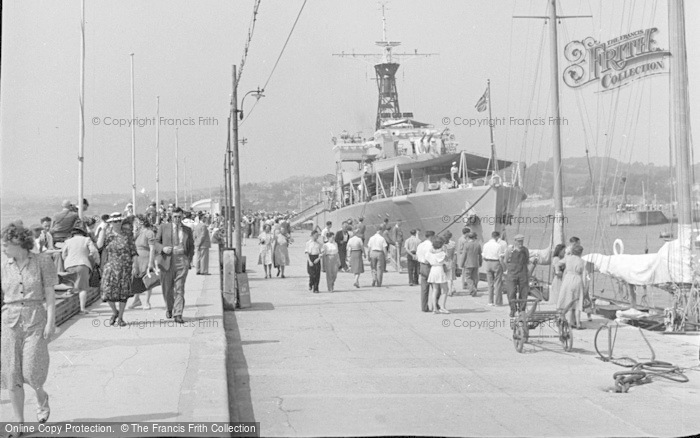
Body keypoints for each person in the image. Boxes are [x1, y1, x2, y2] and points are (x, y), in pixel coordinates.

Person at [1, 222, 57, 426]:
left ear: (18, 243)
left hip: (36, 319)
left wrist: (51, 322)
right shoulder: (2, 265)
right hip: (9, 322)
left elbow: (50, 295)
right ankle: (18, 422)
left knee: (32, 371)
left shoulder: (43, 261)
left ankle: (41, 397)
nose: (3, 249)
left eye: (6, 245)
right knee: (11, 373)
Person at [154, 207, 194, 324]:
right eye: (175, 217)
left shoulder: (187, 230)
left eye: (179, 217)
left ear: (182, 217)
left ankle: (178, 313)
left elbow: (191, 246)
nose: (177, 219)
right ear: (171, 216)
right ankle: (169, 308)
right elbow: (155, 242)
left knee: (180, 288)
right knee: (167, 289)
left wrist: (189, 260)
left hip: (181, 260)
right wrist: (163, 248)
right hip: (167, 261)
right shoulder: (163, 227)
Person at [101, 215, 139, 326]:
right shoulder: (108, 235)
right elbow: (102, 249)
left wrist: (135, 266)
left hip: (125, 267)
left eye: (118, 221)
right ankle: (114, 312)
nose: (117, 223)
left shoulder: (127, 235)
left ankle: (121, 317)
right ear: (110, 223)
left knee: (123, 293)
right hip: (110, 267)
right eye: (114, 221)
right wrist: (102, 265)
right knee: (107, 292)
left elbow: (133, 251)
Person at [61, 226, 99, 314]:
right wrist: (96, 261)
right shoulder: (87, 240)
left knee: (72, 284)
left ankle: (69, 308)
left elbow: (64, 254)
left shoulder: (68, 241)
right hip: (82, 264)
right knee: (83, 288)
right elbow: (94, 251)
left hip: (69, 264)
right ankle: (82, 308)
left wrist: (66, 260)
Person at [557, 244, 589, 329]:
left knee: (569, 300)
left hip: (568, 279)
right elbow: (584, 275)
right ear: (580, 252)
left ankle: (569, 322)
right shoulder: (582, 261)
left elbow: (559, 263)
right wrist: (585, 288)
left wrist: (559, 271)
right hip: (577, 279)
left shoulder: (568, 258)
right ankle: (578, 323)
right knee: (577, 302)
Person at [129, 214, 157, 310]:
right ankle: (136, 300)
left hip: (146, 257)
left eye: (136, 222)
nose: (135, 224)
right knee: (136, 280)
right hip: (137, 259)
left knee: (147, 280)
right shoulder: (138, 233)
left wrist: (151, 262)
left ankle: (147, 301)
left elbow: (152, 248)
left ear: (141, 222)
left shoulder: (149, 232)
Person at [504, 234, 530, 317]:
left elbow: (527, 260)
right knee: (511, 292)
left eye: (522, 241)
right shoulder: (510, 250)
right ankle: (513, 309)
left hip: (523, 272)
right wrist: (507, 270)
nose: (520, 243)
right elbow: (505, 260)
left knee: (524, 292)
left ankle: (522, 310)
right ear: (515, 241)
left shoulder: (525, 250)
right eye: (519, 241)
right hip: (512, 273)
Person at [426, 236, 449, 314]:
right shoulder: (442, 253)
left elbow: (426, 260)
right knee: (445, 289)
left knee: (434, 290)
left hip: (433, 269)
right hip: (440, 269)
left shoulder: (429, 253)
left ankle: (434, 308)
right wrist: (445, 251)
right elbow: (447, 260)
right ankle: (442, 307)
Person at [483, 231, 506, 306]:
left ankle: (490, 301)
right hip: (496, 263)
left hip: (488, 263)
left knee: (490, 283)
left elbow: (483, 256)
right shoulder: (498, 246)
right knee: (498, 283)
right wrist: (504, 266)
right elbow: (500, 257)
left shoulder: (485, 245)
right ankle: (498, 302)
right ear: (497, 237)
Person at [416, 230, 436, 312]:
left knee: (424, 289)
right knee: (435, 288)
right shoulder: (431, 246)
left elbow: (417, 256)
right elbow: (429, 257)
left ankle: (424, 307)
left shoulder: (420, 245)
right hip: (429, 266)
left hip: (422, 266)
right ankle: (435, 306)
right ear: (431, 236)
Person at [462, 232, 482, 296]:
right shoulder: (478, 244)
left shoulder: (466, 244)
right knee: (474, 277)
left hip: (468, 263)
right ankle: (473, 290)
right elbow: (480, 255)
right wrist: (480, 262)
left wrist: (461, 263)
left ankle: (472, 288)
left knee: (467, 277)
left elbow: (464, 255)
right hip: (475, 263)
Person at [442, 231, 457, 296]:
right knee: (450, 278)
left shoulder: (442, 245)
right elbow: (455, 254)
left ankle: (445, 290)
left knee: (444, 277)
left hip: (444, 262)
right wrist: (455, 262)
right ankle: (450, 290)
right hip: (451, 261)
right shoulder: (453, 243)